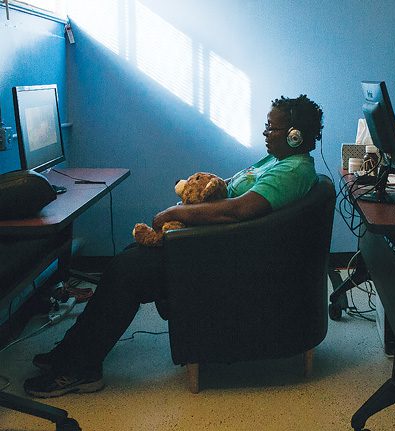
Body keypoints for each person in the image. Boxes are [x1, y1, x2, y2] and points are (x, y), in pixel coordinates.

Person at [23, 94, 324, 398]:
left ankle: (79, 369)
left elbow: (238, 210)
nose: (265, 134)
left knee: (128, 272)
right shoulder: (277, 161)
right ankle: (73, 352)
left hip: (227, 257)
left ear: (294, 135)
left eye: (271, 128)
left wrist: (176, 213)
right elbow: (231, 195)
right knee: (128, 260)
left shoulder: (292, 171)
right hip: (222, 246)